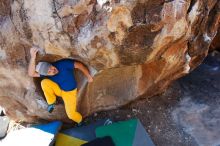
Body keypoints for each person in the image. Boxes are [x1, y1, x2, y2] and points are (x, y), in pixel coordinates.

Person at [28, 47, 93, 124]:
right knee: (44, 82)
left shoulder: (62, 65)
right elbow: (31, 73)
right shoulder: (46, 74)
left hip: (69, 93)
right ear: (46, 74)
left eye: (50, 67)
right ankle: (51, 103)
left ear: (50, 64)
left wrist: (88, 76)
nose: (52, 70)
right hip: (59, 89)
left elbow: (79, 65)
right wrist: (33, 57)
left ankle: (81, 121)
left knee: (71, 115)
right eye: (49, 72)